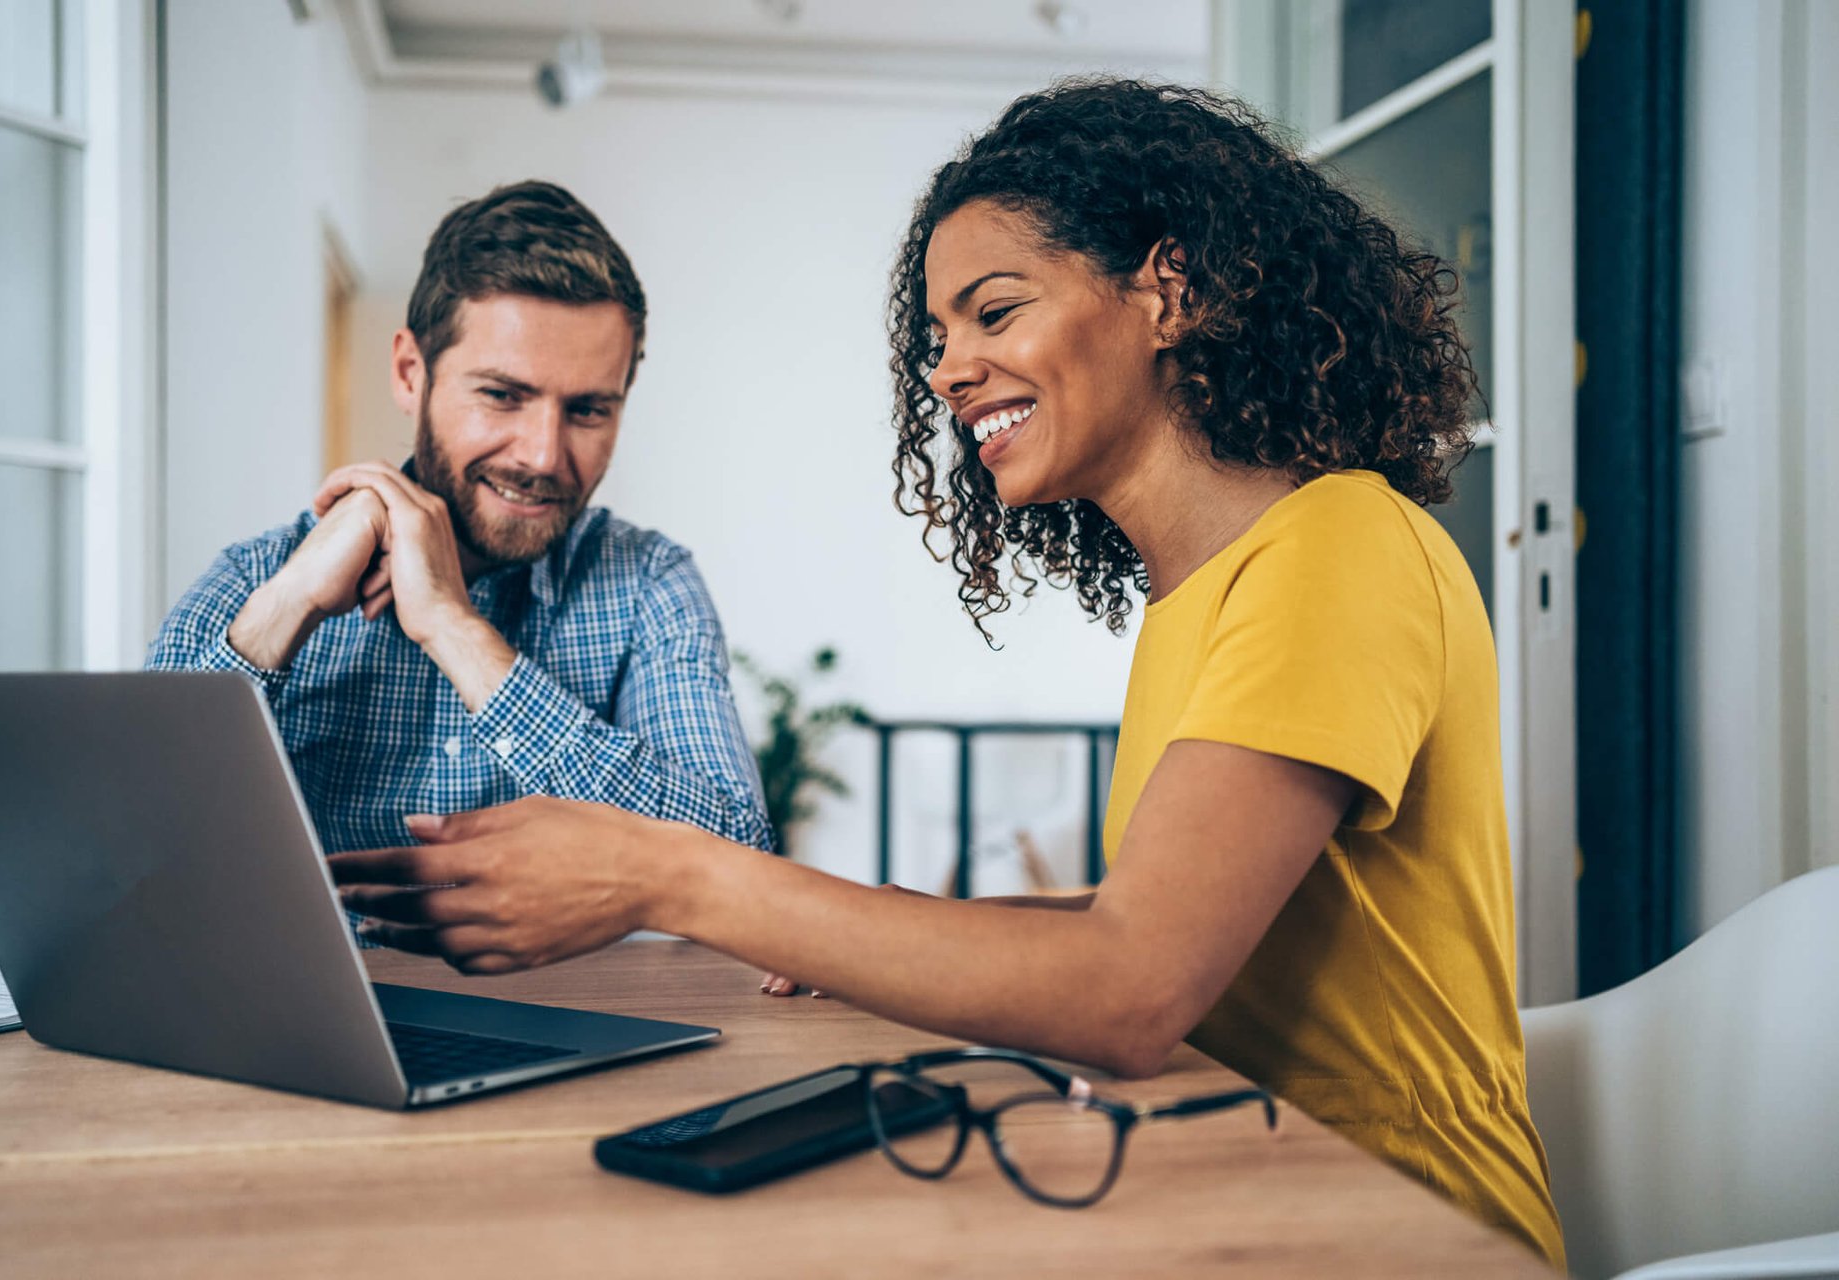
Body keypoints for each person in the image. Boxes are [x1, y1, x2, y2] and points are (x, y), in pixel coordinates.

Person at [329, 82, 1565, 1264]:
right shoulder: (1205, 592)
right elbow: (1160, 923)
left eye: (994, 309)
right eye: (938, 333)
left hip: (1399, 1222)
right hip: (1243, 1179)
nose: (947, 366)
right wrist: (852, 931)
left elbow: (1133, 985)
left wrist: (669, 870)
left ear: (1168, 292)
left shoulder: (1337, 547)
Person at [147, 181, 775, 890]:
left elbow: (738, 861)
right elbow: (128, 840)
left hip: (571, 1003)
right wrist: (283, 612)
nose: (541, 455)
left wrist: (455, 627)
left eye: (589, 410)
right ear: (412, 374)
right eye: (502, 395)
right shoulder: (259, 577)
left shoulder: (648, 583)